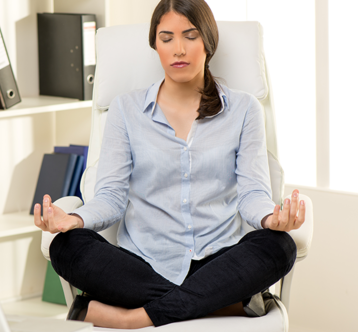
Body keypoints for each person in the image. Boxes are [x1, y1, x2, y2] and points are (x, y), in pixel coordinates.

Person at [34, 0, 305, 329]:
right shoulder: (126, 110)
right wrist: (74, 219)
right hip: (142, 264)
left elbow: (252, 193)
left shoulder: (244, 109)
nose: (179, 49)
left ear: (208, 41)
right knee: (67, 245)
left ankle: (137, 317)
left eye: (190, 36)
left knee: (279, 246)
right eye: (167, 38)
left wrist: (270, 217)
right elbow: (110, 197)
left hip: (217, 259)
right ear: (155, 45)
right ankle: (222, 304)